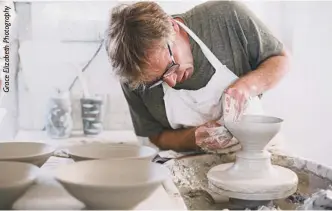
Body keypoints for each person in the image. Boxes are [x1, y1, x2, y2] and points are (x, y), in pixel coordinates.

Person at [106, 1, 290, 153]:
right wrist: (193, 138)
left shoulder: (225, 16)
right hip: (187, 161)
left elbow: (280, 59)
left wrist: (247, 86)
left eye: (171, 67)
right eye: (156, 82)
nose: (171, 82)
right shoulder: (134, 78)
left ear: (173, 27)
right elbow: (156, 137)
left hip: (257, 151)